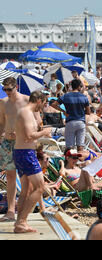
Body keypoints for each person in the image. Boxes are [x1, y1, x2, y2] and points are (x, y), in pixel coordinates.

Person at [13, 91, 53, 233]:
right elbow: (30, 136)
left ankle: (19, 223)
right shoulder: (27, 113)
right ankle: (22, 221)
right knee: (40, 188)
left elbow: (21, 134)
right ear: (39, 100)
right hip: (26, 154)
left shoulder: (24, 112)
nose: (42, 107)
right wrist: (45, 132)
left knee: (27, 190)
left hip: (22, 153)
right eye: (43, 103)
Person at [0, 77, 30, 222]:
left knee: (25, 177)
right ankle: (11, 211)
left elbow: (36, 122)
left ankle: (24, 210)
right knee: (10, 176)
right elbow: (1, 123)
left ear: (16, 87)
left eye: (9, 89)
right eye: (4, 90)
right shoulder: (3, 102)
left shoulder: (26, 100)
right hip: (7, 143)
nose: (7, 92)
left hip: (23, 142)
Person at [52, 79, 90, 153]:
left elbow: (53, 104)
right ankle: (79, 162)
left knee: (69, 147)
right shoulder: (84, 97)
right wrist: (80, 111)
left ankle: (69, 162)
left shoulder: (65, 96)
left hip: (70, 122)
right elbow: (88, 112)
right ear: (79, 87)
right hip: (80, 122)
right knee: (80, 146)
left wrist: (64, 111)